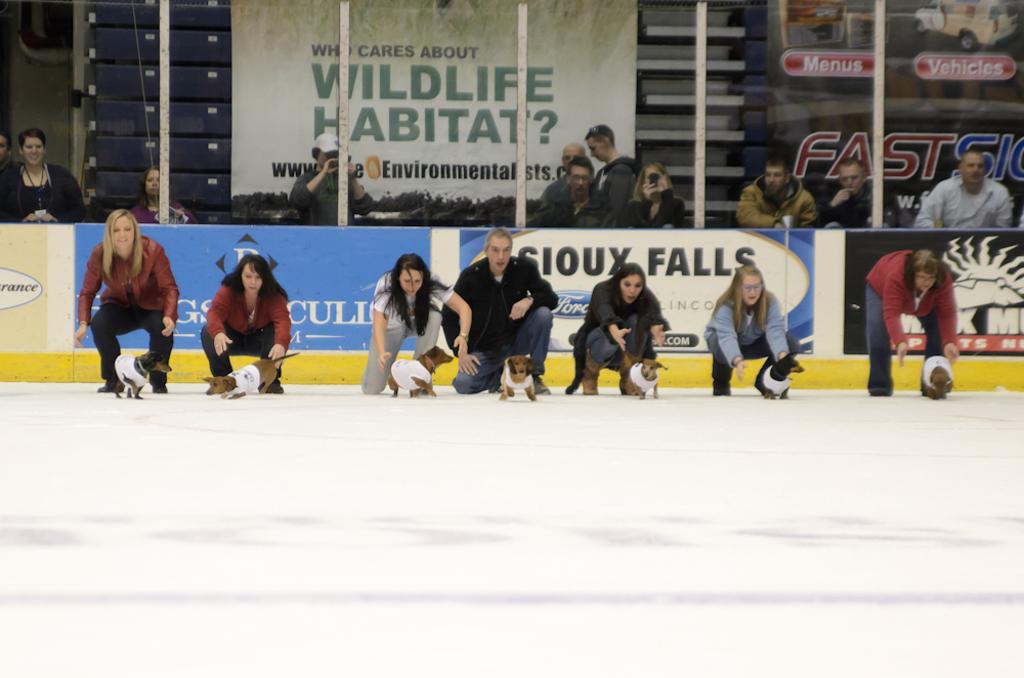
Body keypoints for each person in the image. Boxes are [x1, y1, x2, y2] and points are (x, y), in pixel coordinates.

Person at [441, 227, 557, 394]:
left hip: (517, 341)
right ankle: (500, 375)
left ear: (511, 250)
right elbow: (449, 314)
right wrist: (460, 352)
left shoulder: (524, 269)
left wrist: (529, 300)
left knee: (543, 315)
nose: (501, 257)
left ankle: (534, 374)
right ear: (486, 250)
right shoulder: (471, 276)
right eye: (495, 250)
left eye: (506, 250)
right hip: (486, 350)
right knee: (463, 384)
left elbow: (551, 298)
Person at [75, 209, 178, 394]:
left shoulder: (153, 250)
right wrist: (83, 323)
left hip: (151, 306)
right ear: (109, 233)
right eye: (116, 230)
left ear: (135, 231)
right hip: (119, 305)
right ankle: (113, 380)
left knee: (162, 328)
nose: (122, 234)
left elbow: (169, 287)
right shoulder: (100, 253)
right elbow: (87, 291)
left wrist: (169, 316)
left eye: (127, 229)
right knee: (100, 324)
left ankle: (158, 382)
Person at [361, 253, 474, 394]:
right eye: (407, 281)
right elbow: (379, 324)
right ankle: (379, 374)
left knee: (434, 316)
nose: (412, 286)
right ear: (397, 278)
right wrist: (382, 352)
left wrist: (463, 335)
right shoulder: (386, 286)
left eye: (417, 281)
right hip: (390, 328)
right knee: (372, 389)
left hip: (419, 323)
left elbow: (464, 308)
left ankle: (421, 372)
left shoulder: (431, 282)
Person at [864, 249, 959, 397]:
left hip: (925, 302)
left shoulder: (942, 279)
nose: (926, 282)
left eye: (930, 278)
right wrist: (900, 341)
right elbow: (891, 312)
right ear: (912, 274)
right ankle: (879, 386)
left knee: (938, 332)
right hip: (880, 288)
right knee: (877, 330)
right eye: (921, 277)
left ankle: (930, 383)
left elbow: (947, 313)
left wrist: (949, 342)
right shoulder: (896, 276)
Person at [565, 263, 668, 395]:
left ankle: (629, 377)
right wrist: (613, 329)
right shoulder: (603, 289)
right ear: (618, 281)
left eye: (638, 286)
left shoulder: (644, 296)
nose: (632, 291)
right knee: (607, 337)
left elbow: (653, 314)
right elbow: (604, 309)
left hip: (624, 350)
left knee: (638, 320)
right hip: (597, 342)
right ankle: (590, 374)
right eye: (627, 284)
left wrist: (654, 326)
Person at [704, 265, 800, 396]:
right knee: (719, 341)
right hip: (724, 344)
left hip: (753, 342)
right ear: (738, 288)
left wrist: (782, 357)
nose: (753, 292)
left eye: (757, 287)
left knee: (790, 342)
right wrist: (737, 360)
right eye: (748, 288)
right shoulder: (726, 305)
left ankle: (765, 382)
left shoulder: (770, 301)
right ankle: (721, 382)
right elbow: (727, 336)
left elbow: (775, 330)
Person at [201, 254, 292, 394]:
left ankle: (270, 381)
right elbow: (214, 313)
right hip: (231, 340)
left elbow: (283, 321)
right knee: (208, 331)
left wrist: (281, 343)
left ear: (265, 278)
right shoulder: (228, 290)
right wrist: (218, 332)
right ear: (240, 276)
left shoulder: (273, 295)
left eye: (258, 277)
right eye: (248, 276)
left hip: (261, 342)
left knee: (276, 332)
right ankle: (225, 380)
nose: (253, 282)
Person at [0, 128, 86, 223]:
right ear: (21, 150)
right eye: (29, 147)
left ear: (44, 150)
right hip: (17, 235)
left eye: (38, 146)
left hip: (58, 234)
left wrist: (58, 220)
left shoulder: (62, 175)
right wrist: (21, 222)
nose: (34, 151)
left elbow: (80, 210)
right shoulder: (8, 178)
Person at [913, 150, 1013, 228]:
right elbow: (922, 221)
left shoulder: (1000, 192)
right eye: (971, 165)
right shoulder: (944, 188)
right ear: (960, 168)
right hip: (947, 243)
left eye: (980, 166)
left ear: (985, 170)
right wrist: (940, 231)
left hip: (986, 247)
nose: (975, 170)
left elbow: (1004, 229)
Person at [289, 133, 373, 225]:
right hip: (315, 237)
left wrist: (353, 179)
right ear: (317, 154)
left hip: (343, 237)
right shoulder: (307, 178)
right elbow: (297, 200)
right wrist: (323, 173)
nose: (332, 158)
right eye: (328, 154)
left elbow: (365, 208)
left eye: (335, 154)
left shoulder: (345, 180)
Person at [526, 156, 607, 228]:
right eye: (576, 177)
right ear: (568, 179)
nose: (580, 182)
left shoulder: (601, 211)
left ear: (591, 180)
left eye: (584, 178)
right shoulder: (555, 208)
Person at [736, 157, 816, 228]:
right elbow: (745, 217)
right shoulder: (751, 192)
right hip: (757, 241)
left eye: (777, 175)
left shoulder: (804, 199)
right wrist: (774, 224)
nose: (771, 180)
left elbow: (808, 232)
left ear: (787, 178)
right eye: (768, 175)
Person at [585, 124, 637, 227]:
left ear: (606, 141)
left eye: (593, 148)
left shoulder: (622, 170)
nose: (591, 154)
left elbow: (617, 208)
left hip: (612, 234)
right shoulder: (603, 172)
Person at [624, 162, 688, 228]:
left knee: (668, 226)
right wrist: (646, 201)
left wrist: (666, 194)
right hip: (642, 238)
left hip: (665, 238)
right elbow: (641, 229)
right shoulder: (634, 205)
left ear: (664, 179)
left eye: (657, 177)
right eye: (650, 177)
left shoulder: (677, 204)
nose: (654, 180)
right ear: (643, 181)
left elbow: (669, 225)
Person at [130, 167, 198, 224]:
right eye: (150, 180)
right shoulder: (135, 214)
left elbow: (194, 232)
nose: (154, 183)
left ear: (166, 184)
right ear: (144, 185)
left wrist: (181, 220)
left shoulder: (177, 209)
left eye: (159, 180)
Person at [819, 158, 872, 228]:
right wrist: (832, 205)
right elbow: (820, 221)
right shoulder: (832, 193)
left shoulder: (873, 195)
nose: (849, 182)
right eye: (844, 179)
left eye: (854, 178)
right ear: (839, 180)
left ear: (864, 177)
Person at [538, 142, 587, 208]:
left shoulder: (596, 186)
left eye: (576, 157)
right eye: (567, 158)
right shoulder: (552, 190)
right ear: (563, 161)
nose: (571, 161)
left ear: (585, 159)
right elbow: (540, 215)